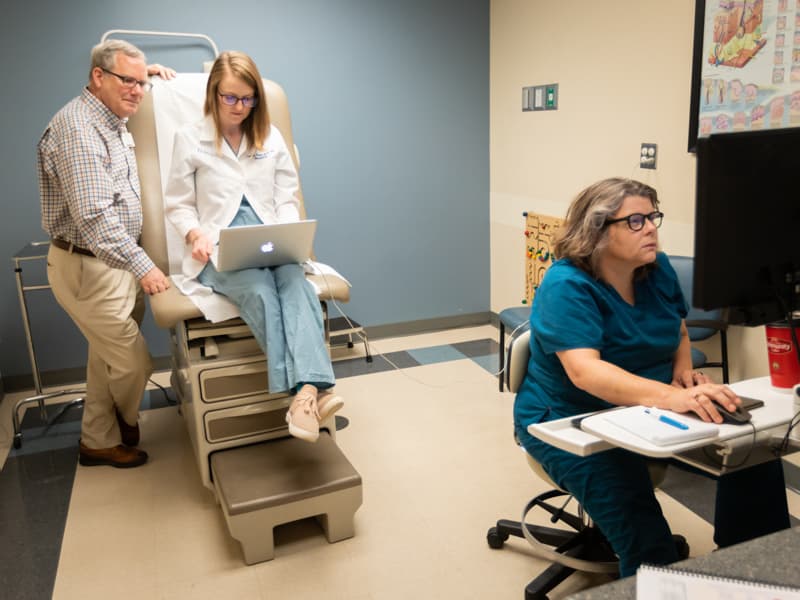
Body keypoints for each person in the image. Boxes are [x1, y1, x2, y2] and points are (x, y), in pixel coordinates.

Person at [513, 178, 744, 577]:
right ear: (597, 231)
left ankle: (751, 562)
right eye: (636, 220)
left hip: (648, 406)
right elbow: (586, 372)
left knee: (750, 453)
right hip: (571, 418)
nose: (652, 227)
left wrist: (683, 374)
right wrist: (669, 398)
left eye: (653, 216)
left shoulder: (657, 269)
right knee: (646, 537)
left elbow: (679, 329)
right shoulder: (566, 284)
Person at [164, 51, 343, 444]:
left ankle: (304, 397)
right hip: (217, 247)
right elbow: (178, 203)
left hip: (268, 237)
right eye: (230, 98)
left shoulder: (269, 136)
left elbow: (285, 196)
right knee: (262, 292)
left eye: (248, 99)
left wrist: (284, 234)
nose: (239, 107)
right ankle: (311, 391)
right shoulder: (190, 138)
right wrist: (195, 236)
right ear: (214, 93)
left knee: (296, 285)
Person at [38, 40, 176, 468]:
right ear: (98, 77)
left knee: (105, 357)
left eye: (140, 83)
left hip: (113, 263)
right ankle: (126, 420)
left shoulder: (113, 118)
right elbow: (95, 219)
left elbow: (126, 79)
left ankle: (96, 440)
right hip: (88, 266)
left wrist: (144, 73)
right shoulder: (80, 130)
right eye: (126, 81)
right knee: (134, 362)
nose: (136, 90)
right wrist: (145, 267)